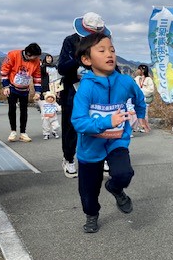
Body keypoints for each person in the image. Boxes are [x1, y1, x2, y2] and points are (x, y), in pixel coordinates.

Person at [71, 31, 149, 234]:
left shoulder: (125, 82)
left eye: (112, 50)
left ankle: (115, 188)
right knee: (88, 190)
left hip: (116, 141)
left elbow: (139, 97)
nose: (110, 54)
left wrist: (141, 115)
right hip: (90, 146)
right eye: (102, 50)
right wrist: (108, 121)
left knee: (124, 174)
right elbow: (78, 122)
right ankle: (92, 215)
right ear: (86, 59)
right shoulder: (86, 88)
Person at [58, 12, 112, 178]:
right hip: (73, 89)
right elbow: (62, 68)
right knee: (71, 126)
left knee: (98, 122)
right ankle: (69, 159)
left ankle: (100, 157)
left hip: (96, 89)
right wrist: (80, 58)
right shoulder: (70, 41)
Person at [1, 43, 42, 142]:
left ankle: (23, 132)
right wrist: (5, 86)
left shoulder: (36, 61)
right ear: (28, 54)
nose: (36, 58)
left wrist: (38, 92)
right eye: (34, 56)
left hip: (25, 89)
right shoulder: (13, 55)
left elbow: (37, 76)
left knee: (24, 111)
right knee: (12, 109)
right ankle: (13, 131)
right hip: (12, 87)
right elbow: (4, 70)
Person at [133, 64, 155, 133]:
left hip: (145, 98)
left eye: (139, 69)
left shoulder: (149, 79)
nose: (138, 70)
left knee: (144, 113)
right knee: (135, 112)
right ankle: (135, 127)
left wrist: (141, 91)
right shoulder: (137, 78)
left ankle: (144, 126)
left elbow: (151, 90)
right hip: (137, 98)